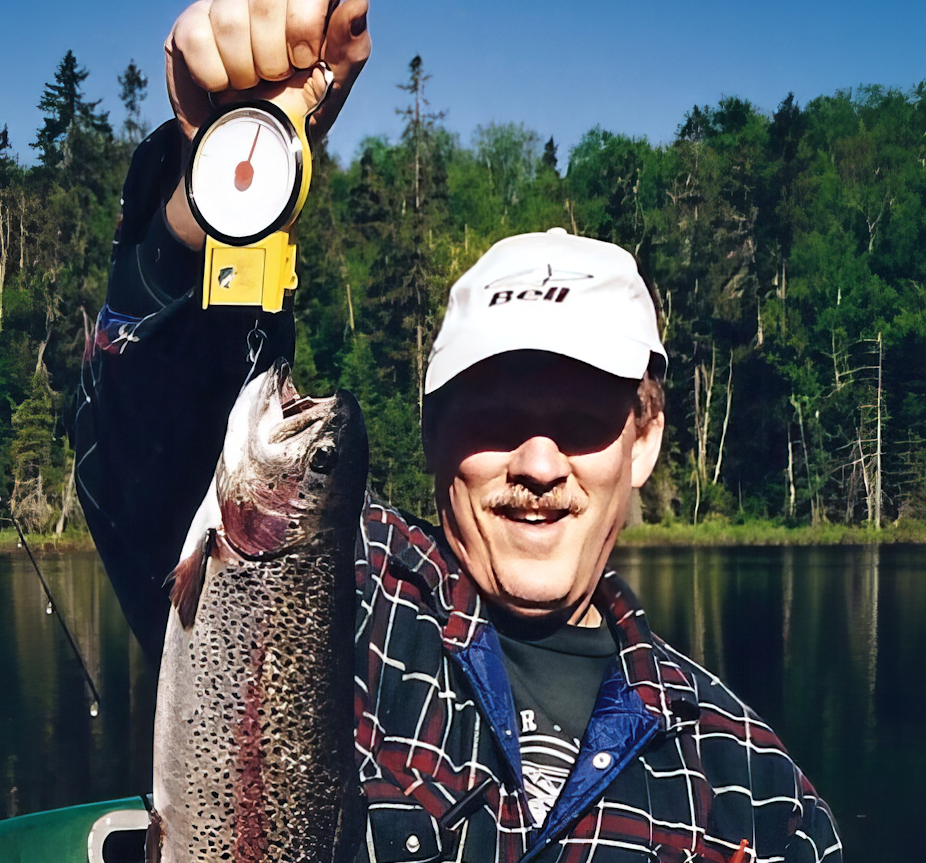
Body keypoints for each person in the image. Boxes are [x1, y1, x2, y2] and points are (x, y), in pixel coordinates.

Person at [73, 2, 843, 860]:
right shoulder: (335, 591)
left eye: (583, 417)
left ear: (644, 439)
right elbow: (144, 442)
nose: (540, 462)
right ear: (435, 431)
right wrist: (210, 200)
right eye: (498, 413)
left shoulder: (757, 794)